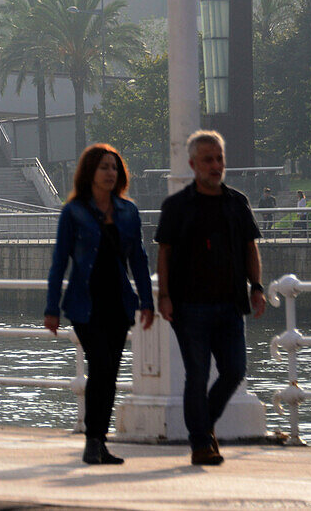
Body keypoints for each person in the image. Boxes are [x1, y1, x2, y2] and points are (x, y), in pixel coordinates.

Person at [155, 130, 267, 466]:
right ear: (192, 164)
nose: (216, 165)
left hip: (231, 303)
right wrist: (164, 295)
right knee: (198, 375)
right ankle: (201, 442)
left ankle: (204, 426)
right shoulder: (177, 206)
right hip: (189, 307)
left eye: (219, 158)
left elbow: (250, 247)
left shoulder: (237, 202)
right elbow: (164, 253)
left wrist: (257, 286)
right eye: (208, 159)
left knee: (234, 371)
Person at [45, 143, 154, 465]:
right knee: (101, 366)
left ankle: (99, 442)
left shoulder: (128, 211)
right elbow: (58, 262)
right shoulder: (74, 212)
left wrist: (147, 302)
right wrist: (52, 308)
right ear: (90, 173)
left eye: (114, 167)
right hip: (85, 303)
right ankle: (93, 440)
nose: (111, 172)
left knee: (109, 373)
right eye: (104, 167)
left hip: (118, 303)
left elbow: (139, 259)